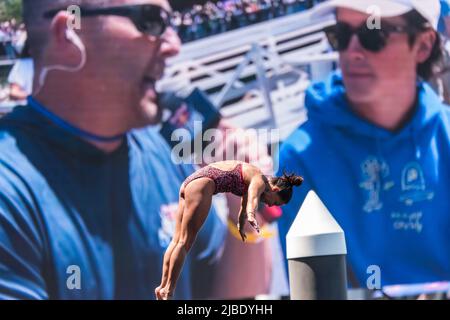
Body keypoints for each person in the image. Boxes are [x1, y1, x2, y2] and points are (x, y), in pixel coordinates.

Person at [0, 0, 227, 300]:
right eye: (150, 19)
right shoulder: (10, 190)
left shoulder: (162, 151)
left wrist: (252, 208)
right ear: (69, 31)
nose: (174, 45)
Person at [277, 0, 450, 288]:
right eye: (342, 35)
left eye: (374, 34)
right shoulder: (300, 159)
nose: (352, 52)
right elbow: (318, 291)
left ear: (423, 45)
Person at [155, 160, 303, 300]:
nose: (270, 205)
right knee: (183, 242)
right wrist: (253, 218)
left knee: (176, 241)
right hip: (203, 186)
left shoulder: (254, 177)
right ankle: (168, 290)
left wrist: (241, 223)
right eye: (274, 202)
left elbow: (244, 208)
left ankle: (162, 287)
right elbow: (251, 203)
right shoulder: (258, 181)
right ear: (275, 190)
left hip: (190, 183)